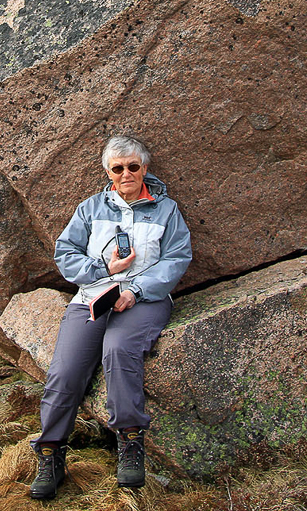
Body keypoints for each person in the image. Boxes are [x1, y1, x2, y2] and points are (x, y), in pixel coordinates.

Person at [29, 135, 193, 500]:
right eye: (117, 168)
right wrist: (100, 266)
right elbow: (65, 251)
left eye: (133, 167)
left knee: (119, 351)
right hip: (92, 298)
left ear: (145, 169)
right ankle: (51, 453)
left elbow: (177, 258)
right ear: (108, 171)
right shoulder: (90, 208)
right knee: (65, 369)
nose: (126, 174)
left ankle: (130, 443)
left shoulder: (166, 211)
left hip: (144, 300)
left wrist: (137, 288)